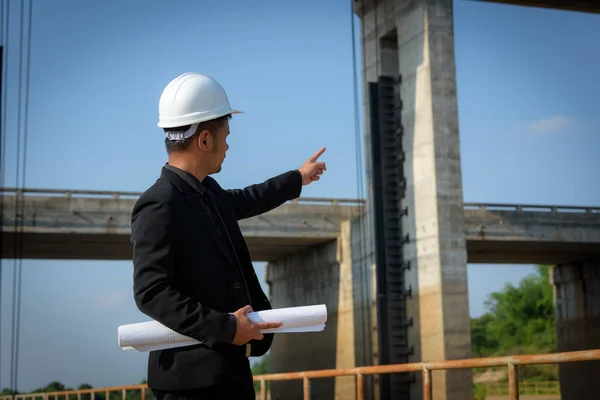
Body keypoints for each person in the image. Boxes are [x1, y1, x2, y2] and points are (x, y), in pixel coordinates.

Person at [130, 72, 327, 399]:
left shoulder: (206, 193)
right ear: (205, 140)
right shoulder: (159, 204)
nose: (228, 145)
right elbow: (152, 292)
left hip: (228, 373)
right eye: (226, 135)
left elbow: (250, 197)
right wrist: (226, 327)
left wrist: (298, 178)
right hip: (191, 386)